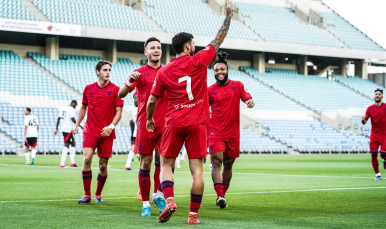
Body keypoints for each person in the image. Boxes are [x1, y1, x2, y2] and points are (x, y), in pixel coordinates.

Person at [146, 1, 234, 224]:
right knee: (197, 171)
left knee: (166, 164)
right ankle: (193, 216)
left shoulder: (164, 71)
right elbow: (218, 39)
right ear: (187, 47)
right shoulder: (199, 61)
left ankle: (170, 200)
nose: (194, 46)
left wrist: (148, 119)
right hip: (198, 123)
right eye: (193, 43)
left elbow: (152, 100)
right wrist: (228, 17)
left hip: (173, 122)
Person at [118, 37, 167, 216]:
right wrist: (130, 81)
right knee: (145, 163)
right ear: (146, 52)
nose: (156, 50)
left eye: (159, 47)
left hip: (165, 124)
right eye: (152, 48)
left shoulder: (168, 71)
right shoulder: (138, 72)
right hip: (144, 124)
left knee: (163, 163)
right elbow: (121, 94)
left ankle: (159, 195)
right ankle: (145, 204)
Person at [208, 52, 254, 208]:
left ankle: (223, 196)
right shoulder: (209, 90)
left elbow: (246, 96)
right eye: (216, 70)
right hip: (215, 132)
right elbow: (203, 108)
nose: (219, 72)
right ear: (213, 73)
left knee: (228, 164)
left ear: (227, 71)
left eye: (222, 69)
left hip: (233, 133)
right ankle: (219, 195)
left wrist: (249, 101)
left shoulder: (237, 85)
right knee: (216, 162)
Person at [73, 60, 123, 204]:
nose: (108, 72)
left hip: (107, 133)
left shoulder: (116, 90)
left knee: (103, 165)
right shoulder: (88, 88)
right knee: (87, 159)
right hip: (90, 130)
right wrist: (77, 124)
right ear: (98, 72)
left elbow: (119, 112)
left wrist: (111, 126)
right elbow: (83, 107)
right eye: (105, 70)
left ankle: (98, 193)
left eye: (109, 70)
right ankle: (87, 194)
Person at [362, 88, 386, 180]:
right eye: (376, 94)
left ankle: (384, 159)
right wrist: (363, 120)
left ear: (382, 96)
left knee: (383, 154)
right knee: (373, 155)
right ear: (374, 96)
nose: (377, 95)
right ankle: (378, 174)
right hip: (374, 136)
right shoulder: (369, 108)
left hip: (384, 136)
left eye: (379, 94)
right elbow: (365, 121)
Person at [54, 100, 82, 168]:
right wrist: (80, 126)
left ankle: (72, 162)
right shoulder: (71, 109)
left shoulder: (63, 108)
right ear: (74, 104)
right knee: (66, 144)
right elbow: (73, 119)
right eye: (76, 105)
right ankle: (62, 163)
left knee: (73, 143)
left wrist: (57, 128)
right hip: (67, 129)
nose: (75, 106)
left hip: (65, 129)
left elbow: (58, 118)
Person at [125, 92, 138, 171]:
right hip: (138, 132)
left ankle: (127, 165)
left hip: (136, 133)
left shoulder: (135, 112)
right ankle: (127, 165)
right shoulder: (138, 111)